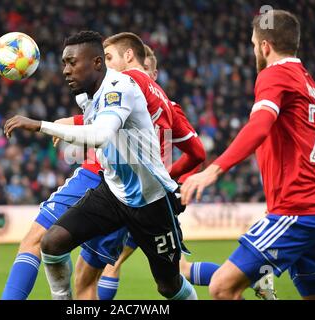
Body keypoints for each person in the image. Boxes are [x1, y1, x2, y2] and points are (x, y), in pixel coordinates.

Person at [1, 33, 203, 300]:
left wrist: (41, 125)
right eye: (64, 63)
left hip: (150, 201)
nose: (65, 70)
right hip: (111, 190)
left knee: (169, 285)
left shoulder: (125, 84)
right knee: (52, 243)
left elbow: (99, 135)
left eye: (72, 63)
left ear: (98, 63)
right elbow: (195, 151)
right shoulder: (92, 96)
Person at [180, 10, 315, 300]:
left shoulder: (274, 74)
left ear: (265, 46)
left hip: (294, 209)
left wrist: (213, 170)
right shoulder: (306, 80)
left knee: (222, 287)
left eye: (254, 44)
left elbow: (260, 125)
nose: (254, 50)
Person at [74, 36, 215, 300]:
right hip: (156, 197)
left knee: (93, 272)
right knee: (172, 275)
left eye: (109, 58)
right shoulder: (170, 104)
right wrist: (168, 178)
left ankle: (239, 275)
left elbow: (103, 122)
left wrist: (68, 121)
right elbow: (197, 152)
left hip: (128, 190)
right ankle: (240, 276)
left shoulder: (130, 82)